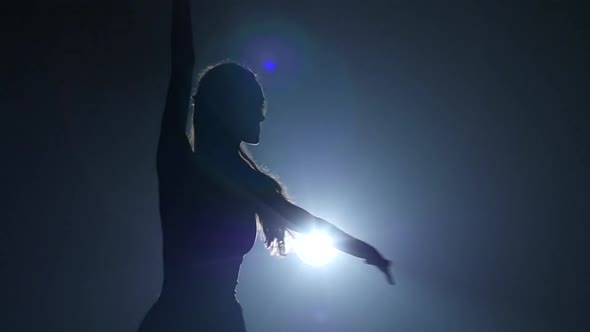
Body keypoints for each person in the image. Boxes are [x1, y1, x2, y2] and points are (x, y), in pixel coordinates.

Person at [138, 0, 393, 331]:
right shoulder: (180, 165)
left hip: (223, 321)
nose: (261, 114)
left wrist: (365, 250)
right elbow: (182, 66)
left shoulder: (247, 182)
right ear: (229, 106)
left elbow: (306, 222)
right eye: (256, 103)